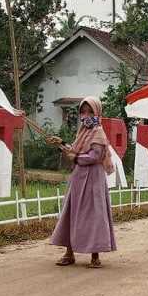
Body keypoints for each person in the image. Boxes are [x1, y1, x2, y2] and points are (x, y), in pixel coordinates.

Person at [45, 97, 117, 268]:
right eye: (83, 112)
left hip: (93, 179)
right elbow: (75, 151)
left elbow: (95, 156)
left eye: (90, 111)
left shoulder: (98, 132)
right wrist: (61, 143)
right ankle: (69, 253)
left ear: (97, 112)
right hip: (78, 178)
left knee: (94, 215)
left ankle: (95, 256)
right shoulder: (83, 131)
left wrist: (76, 157)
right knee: (71, 212)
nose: (86, 115)